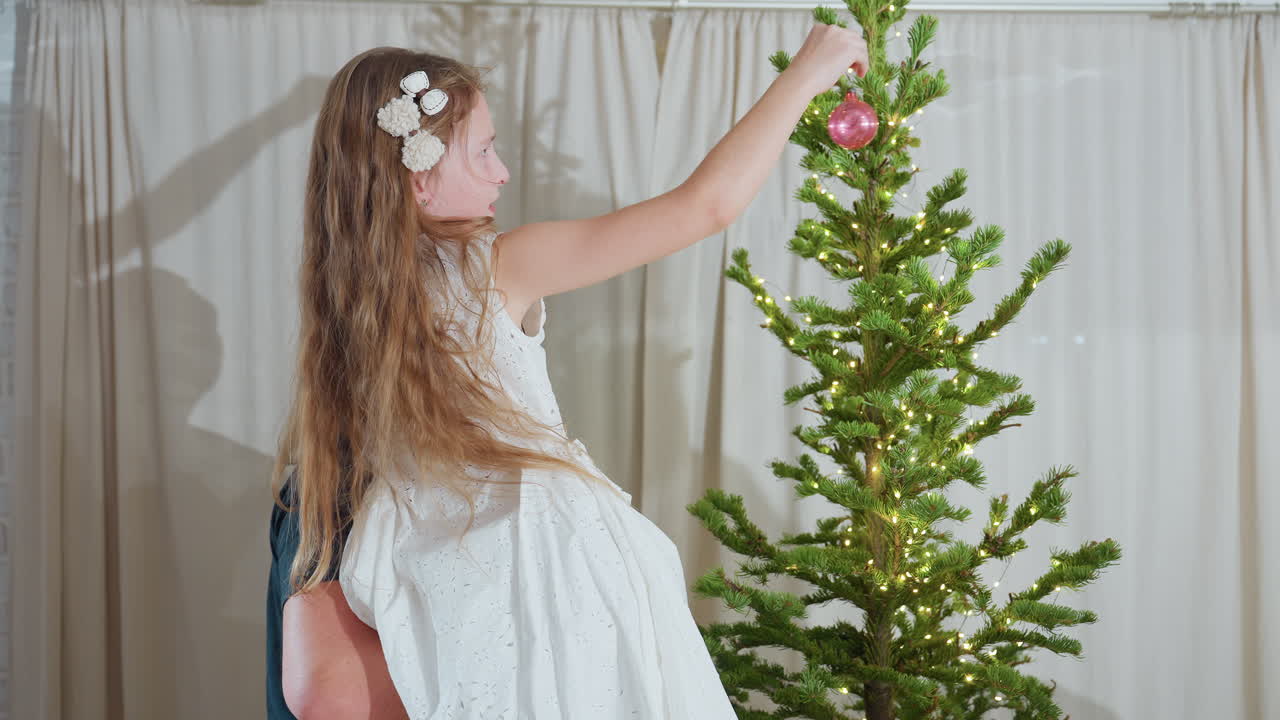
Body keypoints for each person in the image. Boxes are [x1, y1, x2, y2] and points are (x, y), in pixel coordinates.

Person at [269, 23, 868, 719]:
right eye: (485, 152)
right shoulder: (498, 268)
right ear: (420, 179)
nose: (503, 173)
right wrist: (808, 72)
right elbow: (707, 206)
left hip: (425, 571)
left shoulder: (347, 310)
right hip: (548, 560)